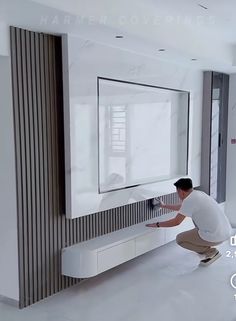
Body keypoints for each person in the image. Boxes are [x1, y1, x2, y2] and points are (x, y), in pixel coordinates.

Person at [146, 178, 232, 266]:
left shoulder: (189, 200)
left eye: (177, 192)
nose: (178, 194)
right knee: (196, 228)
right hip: (226, 232)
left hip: (216, 236)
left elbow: (176, 222)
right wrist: (163, 206)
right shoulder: (198, 194)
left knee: (180, 239)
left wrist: (157, 224)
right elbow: (182, 207)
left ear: (180, 191)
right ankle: (204, 247)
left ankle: (211, 252)